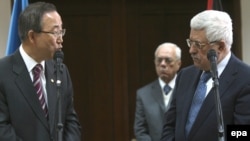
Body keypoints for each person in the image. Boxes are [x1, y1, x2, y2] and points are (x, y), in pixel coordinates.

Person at [160, 10, 250, 141]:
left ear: (220, 47)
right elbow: (169, 125)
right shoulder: (185, 75)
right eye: (190, 42)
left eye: (198, 45)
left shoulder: (245, 79)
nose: (191, 50)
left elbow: (241, 134)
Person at [0, 2, 81, 141]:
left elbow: (71, 120)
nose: (60, 39)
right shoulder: (3, 72)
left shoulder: (60, 70)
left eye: (61, 31)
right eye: (55, 32)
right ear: (32, 36)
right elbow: (2, 128)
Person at [134, 42, 182, 141]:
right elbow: (140, 130)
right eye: (159, 60)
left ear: (178, 64)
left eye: (168, 60)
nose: (163, 64)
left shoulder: (187, 89)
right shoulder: (143, 94)